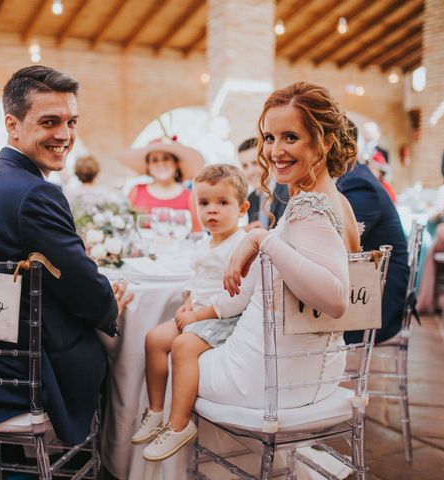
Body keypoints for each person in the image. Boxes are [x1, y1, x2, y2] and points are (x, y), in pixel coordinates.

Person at [140, 82, 361, 462]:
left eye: (290, 137)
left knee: (179, 354)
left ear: (323, 142)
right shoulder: (338, 202)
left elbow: (339, 299)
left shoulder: (310, 207)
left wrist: (261, 239)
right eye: (270, 137)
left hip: (266, 380)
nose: (275, 151)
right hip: (318, 375)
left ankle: (169, 433)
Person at [0, 65, 132, 445]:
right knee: (125, 352)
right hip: (23, 379)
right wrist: (107, 305)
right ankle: (112, 460)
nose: (64, 135)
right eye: (49, 122)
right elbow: (86, 291)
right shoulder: (35, 193)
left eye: (71, 122)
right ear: (13, 125)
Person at [131, 164, 250, 451]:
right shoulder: (205, 243)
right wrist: (187, 304)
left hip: (224, 318)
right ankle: (156, 410)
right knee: (155, 338)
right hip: (197, 311)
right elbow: (198, 282)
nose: (212, 210)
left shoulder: (241, 245)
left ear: (243, 208)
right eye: (204, 203)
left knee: (184, 345)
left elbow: (238, 298)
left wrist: (197, 314)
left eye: (223, 203)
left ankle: (179, 424)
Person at [337, 123, 409, 344]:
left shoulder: (359, 184)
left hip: (379, 302)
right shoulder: (353, 177)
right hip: (365, 290)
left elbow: (340, 245)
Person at [118, 136, 203, 231]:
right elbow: (125, 226)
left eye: (166, 158)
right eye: (154, 160)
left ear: (176, 164)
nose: (161, 164)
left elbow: (196, 234)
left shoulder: (189, 196)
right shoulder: (136, 191)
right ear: (148, 166)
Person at [238, 137, 289, 230]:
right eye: (245, 166)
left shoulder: (288, 191)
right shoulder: (251, 199)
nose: (250, 172)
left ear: (270, 161)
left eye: (255, 163)